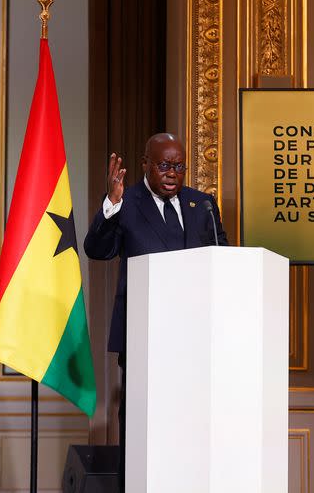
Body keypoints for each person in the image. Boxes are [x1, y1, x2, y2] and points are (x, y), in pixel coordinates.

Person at [84, 132, 228, 490]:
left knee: (191, 424)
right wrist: (110, 206)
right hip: (144, 336)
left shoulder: (203, 204)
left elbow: (222, 260)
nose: (172, 173)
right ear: (146, 164)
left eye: (179, 166)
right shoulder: (126, 201)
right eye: (164, 165)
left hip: (197, 338)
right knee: (143, 424)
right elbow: (98, 250)